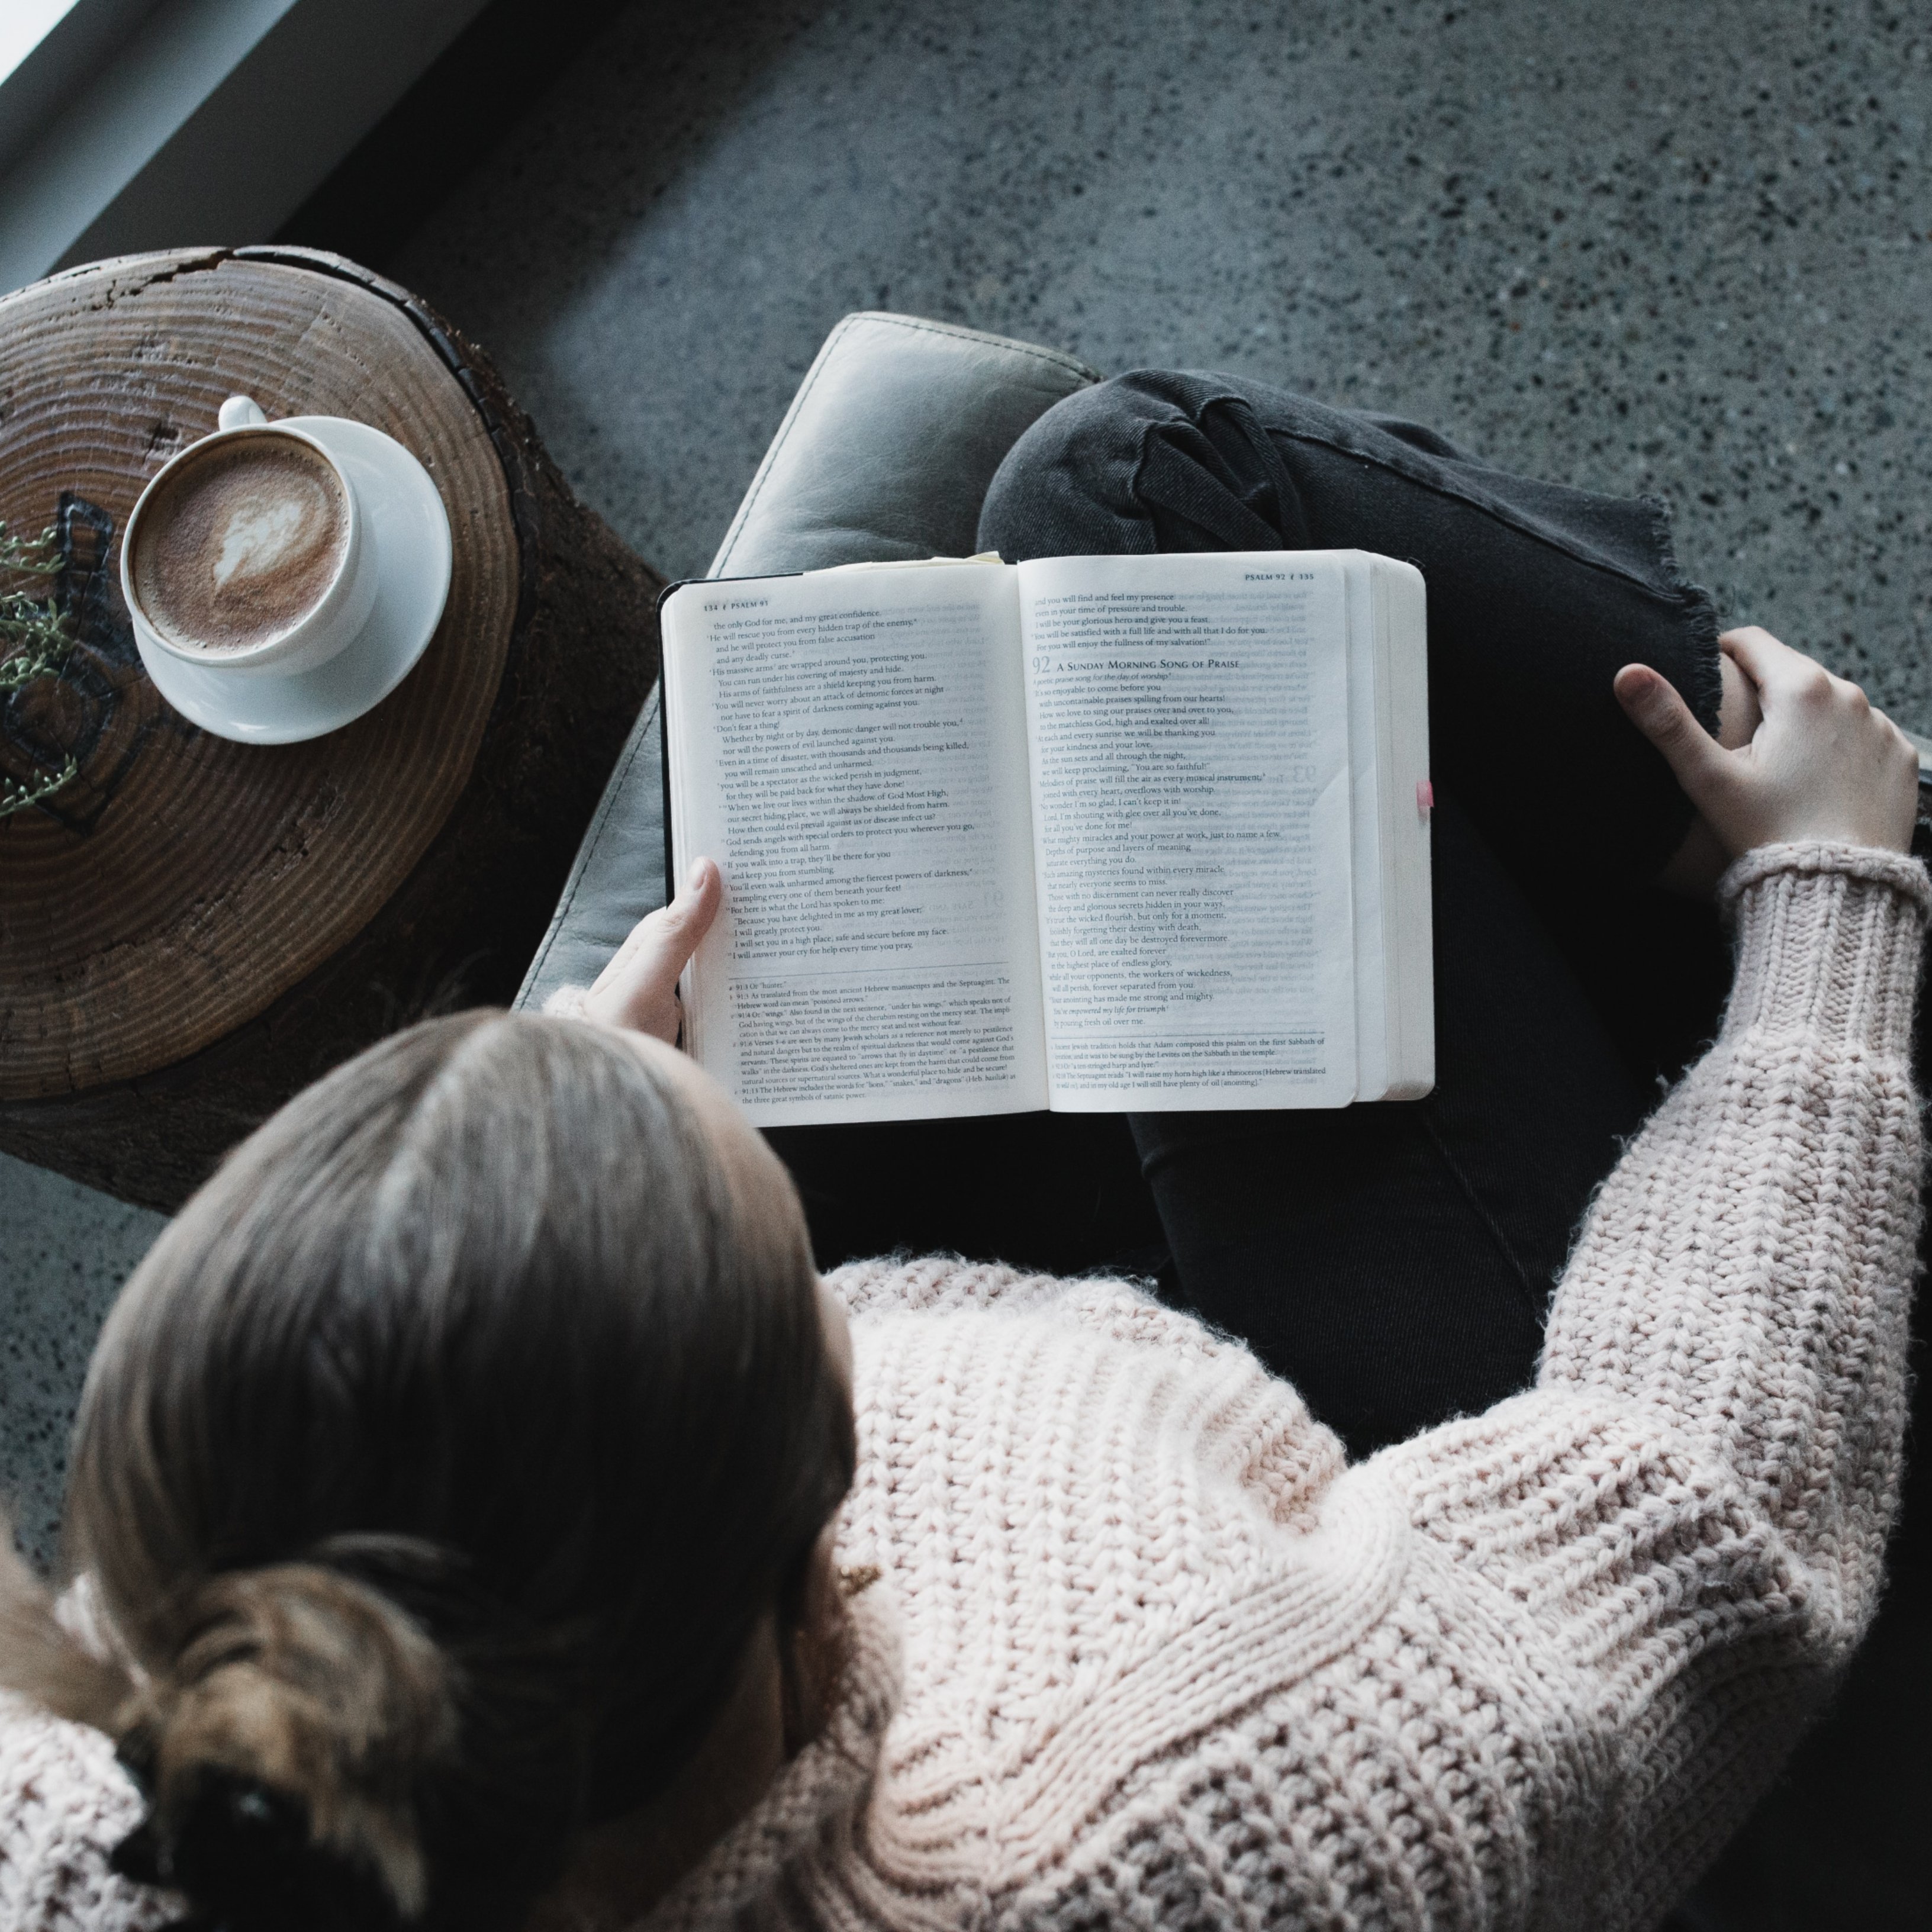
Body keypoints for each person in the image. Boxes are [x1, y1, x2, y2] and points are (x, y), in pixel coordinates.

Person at [0, 372, 1923, 1932]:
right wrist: (1831, 903)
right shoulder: (1190, 1831)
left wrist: (558, 1129)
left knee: (1071, 587)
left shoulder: (122, 1803)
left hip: (988, 1427)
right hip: (1391, 1517)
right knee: (1126, 484)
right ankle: (1848, 803)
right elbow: (1709, 1500)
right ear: (812, 1524)